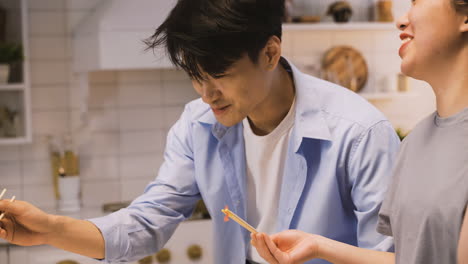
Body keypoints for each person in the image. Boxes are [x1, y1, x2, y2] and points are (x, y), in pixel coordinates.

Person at [0, 0, 400, 263]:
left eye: (220, 76)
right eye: (194, 76)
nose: (207, 94)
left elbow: (394, 255)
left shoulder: (360, 133)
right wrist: (51, 230)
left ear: (270, 52)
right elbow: (145, 224)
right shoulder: (199, 126)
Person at [251, 0, 468, 263]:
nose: (400, 20)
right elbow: (407, 259)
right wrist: (317, 246)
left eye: (417, 1)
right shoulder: (414, 143)